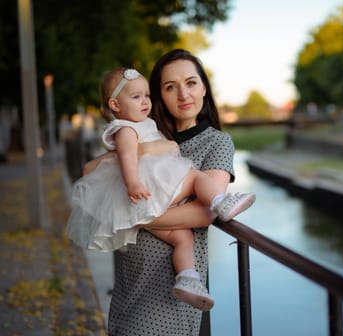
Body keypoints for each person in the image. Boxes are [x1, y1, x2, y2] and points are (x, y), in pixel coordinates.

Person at [67, 67, 255, 312]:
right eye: (137, 97)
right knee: (195, 177)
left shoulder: (207, 139)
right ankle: (220, 202)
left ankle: (188, 278)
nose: (144, 101)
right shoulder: (127, 128)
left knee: (182, 237)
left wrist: (133, 217)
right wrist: (136, 177)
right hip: (146, 191)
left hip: (145, 202)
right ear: (115, 104)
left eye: (146, 95)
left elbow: (101, 165)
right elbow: (114, 161)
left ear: (204, 88)